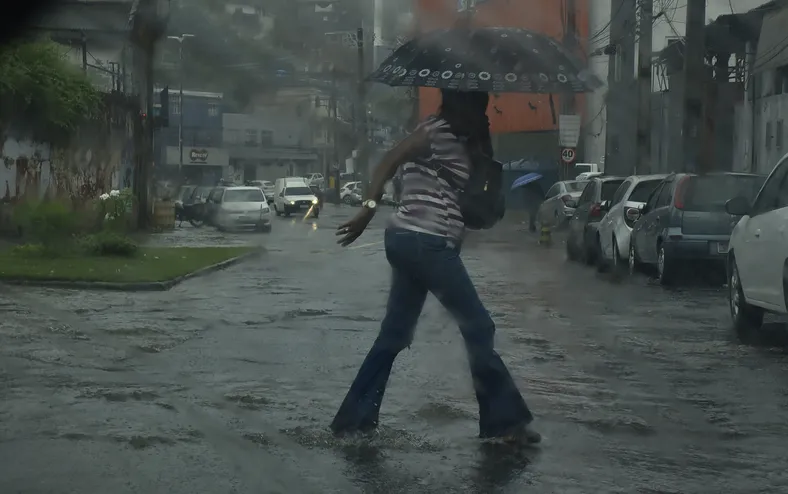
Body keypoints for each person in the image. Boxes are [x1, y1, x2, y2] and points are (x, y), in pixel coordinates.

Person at [331, 89, 541, 443]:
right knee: (478, 326)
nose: (484, 116)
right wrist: (368, 207)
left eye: (485, 111)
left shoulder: (462, 143)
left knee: (394, 335)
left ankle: (354, 420)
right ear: (460, 107)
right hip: (426, 242)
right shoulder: (434, 130)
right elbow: (389, 159)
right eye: (479, 108)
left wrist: (483, 139)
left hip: (408, 242)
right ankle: (505, 423)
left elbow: (483, 208)